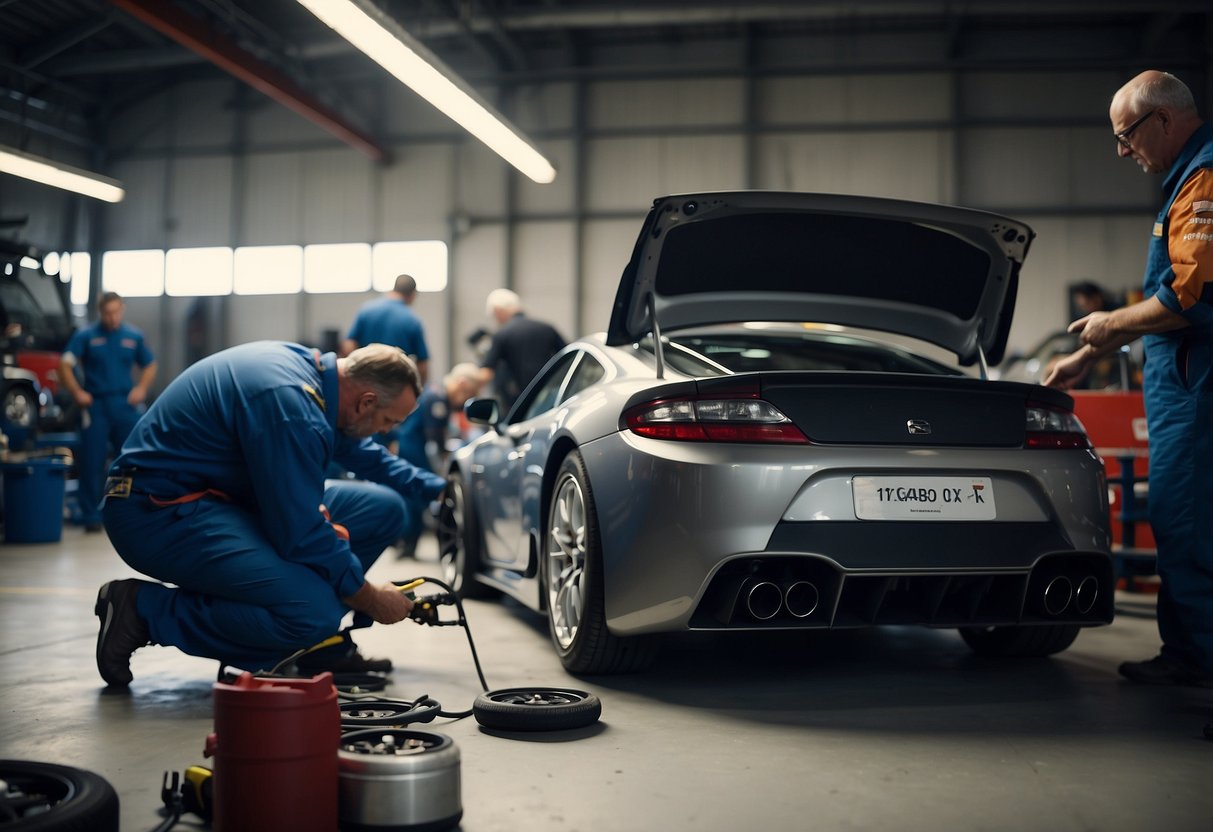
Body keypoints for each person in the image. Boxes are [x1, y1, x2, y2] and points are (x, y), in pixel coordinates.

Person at [93, 341, 447, 688]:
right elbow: (301, 531)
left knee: (382, 510)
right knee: (312, 615)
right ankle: (143, 611)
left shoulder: (317, 381)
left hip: (217, 500)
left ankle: (312, 649)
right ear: (366, 402)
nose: (386, 431)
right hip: (154, 511)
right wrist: (369, 596)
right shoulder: (291, 406)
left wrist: (439, 489)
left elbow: (367, 456)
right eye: (388, 421)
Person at [1045, 70, 1213, 688]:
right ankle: (1191, 655)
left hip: (1199, 394)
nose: (1122, 150)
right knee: (1179, 524)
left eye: (1126, 135)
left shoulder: (1203, 182)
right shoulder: (1184, 181)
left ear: (1163, 120)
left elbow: (1191, 299)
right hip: (1185, 391)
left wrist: (1112, 320)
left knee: (1191, 529)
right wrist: (1089, 356)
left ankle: (1202, 662)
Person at [59, 292, 157, 532]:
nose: (112, 318)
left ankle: (124, 510)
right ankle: (91, 516)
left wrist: (141, 388)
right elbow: (65, 364)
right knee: (92, 461)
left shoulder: (133, 336)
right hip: (96, 406)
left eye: (116, 312)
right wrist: (77, 392)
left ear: (121, 309)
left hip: (125, 406)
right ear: (100, 312)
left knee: (129, 460)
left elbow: (150, 364)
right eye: (107, 313)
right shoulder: (86, 336)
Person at [391, 363, 484, 556]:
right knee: (418, 495)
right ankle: (407, 542)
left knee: (413, 495)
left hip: (412, 447)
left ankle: (407, 543)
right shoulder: (438, 399)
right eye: (469, 393)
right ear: (461, 383)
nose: (467, 399)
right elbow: (436, 437)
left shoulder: (436, 393)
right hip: (414, 450)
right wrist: (445, 457)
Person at [479, 288, 566, 412]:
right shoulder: (547, 328)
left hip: (519, 403)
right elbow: (567, 355)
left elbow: (486, 372)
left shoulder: (502, 334)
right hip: (551, 396)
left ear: (498, 311)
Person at [342, 274, 430, 385]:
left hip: (365, 380)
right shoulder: (412, 320)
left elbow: (349, 344)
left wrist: (356, 370)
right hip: (395, 385)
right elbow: (422, 364)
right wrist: (418, 389)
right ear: (413, 294)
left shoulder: (366, 310)